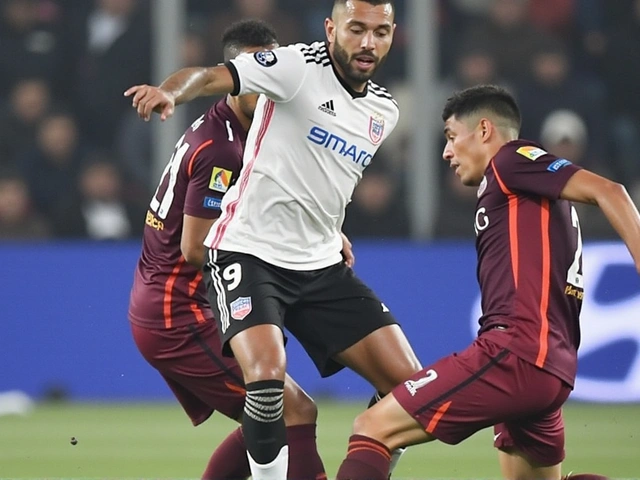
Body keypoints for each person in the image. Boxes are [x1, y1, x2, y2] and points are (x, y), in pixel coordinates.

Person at [124, 1, 423, 478]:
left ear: (392, 36)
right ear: (331, 30)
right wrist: (169, 93)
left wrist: (327, 231)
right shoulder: (284, 78)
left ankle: (373, 447)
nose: (368, 42)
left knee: (412, 387)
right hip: (212, 281)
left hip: (314, 265)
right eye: (357, 29)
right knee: (279, 399)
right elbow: (205, 77)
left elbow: (313, 178)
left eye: (381, 32)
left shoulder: (381, 111)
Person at [334, 84, 640, 480]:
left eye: (450, 137)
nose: (446, 152)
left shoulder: (511, 161)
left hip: (516, 352)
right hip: (551, 367)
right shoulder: (523, 193)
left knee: (372, 427)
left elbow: (610, 190)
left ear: (483, 131)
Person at [127, 19, 327, 480]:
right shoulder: (222, 149)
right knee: (292, 411)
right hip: (178, 310)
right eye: (256, 79)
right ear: (233, 77)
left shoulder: (247, 130)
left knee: (268, 413)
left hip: (182, 300)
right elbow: (196, 247)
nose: (270, 90)